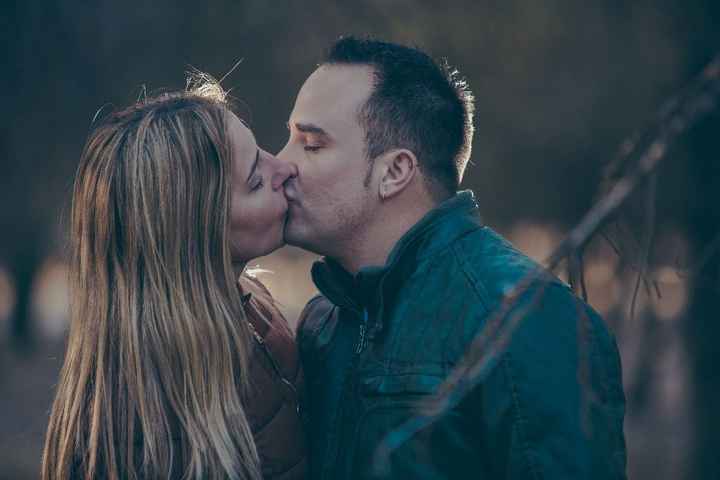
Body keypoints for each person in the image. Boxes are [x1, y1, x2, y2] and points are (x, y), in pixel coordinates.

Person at [278, 36, 627, 479]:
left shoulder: (525, 320)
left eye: (310, 144)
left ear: (394, 172)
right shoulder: (323, 321)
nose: (280, 163)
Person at [42, 77, 307, 479]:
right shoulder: (141, 436)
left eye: (262, 154)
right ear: (195, 235)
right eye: (255, 181)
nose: (285, 169)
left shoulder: (253, 308)